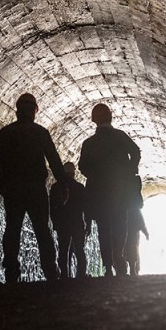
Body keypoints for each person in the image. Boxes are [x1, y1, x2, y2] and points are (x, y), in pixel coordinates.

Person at [0, 93, 68, 283]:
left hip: (13, 189)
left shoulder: (6, 133)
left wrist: (1, 184)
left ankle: (11, 273)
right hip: (36, 189)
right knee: (42, 230)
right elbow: (54, 160)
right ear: (34, 111)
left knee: (12, 230)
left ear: (17, 110)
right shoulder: (40, 132)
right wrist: (63, 184)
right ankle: (50, 271)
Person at [78, 103, 141, 277]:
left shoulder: (89, 143)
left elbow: (82, 166)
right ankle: (119, 260)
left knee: (104, 228)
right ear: (110, 117)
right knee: (120, 224)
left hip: (99, 194)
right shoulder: (120, 137)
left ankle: (107, 266)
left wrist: (95, 175)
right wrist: (129, 170)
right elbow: (135, 152)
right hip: (120, 191)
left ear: (93, 120)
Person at [48, 161, 91, 280]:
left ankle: (64, 276)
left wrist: (55, 223)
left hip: (63, 224)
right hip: (77, 222)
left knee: (63, 250)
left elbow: (52, 208)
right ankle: (81, 275)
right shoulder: (79, 187)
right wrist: (88, 223)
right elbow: (86, 208)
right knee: (79, 250)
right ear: (74, 173)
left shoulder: (56, 188)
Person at [124, 205, 149, 276]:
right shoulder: (135, 207)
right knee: (133, 248)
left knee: (127, 249)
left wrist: (145, 232)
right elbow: (140, 220)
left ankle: (128, 269)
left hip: (125, 229)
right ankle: (133, 269)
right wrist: (146, 232)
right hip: (133, 230)